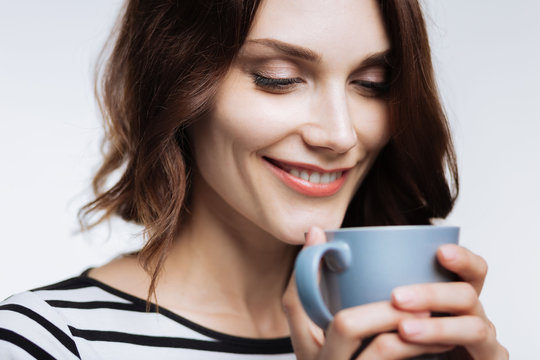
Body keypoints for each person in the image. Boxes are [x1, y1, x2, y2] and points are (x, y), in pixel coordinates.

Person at [0, 0, 508, 359]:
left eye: (371, 85)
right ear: (178, 82)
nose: (339, 134)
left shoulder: (406, 341)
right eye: (278, 77)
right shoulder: (46, 342)